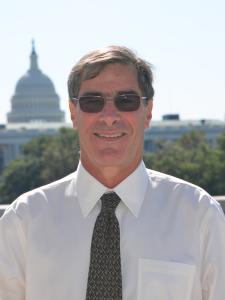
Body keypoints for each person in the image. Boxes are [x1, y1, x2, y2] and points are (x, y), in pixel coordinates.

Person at [0, 45, 225, 300]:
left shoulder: (199, 216)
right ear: (73, 113)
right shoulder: (23, 222)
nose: (109, 117)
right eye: (92, 102)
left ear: (148, 111)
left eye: (126, 101)